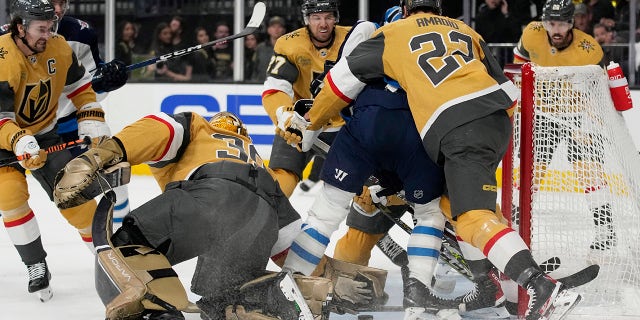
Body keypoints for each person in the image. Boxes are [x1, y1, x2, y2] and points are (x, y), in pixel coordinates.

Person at [280, 0, 582, 319]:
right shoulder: (465, 29)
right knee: (447, 212)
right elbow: (508, 90)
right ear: (438, 10)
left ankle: (292, 286)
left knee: (335, 215)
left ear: (406, 11)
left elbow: (340, 87)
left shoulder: (387, 34)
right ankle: (445, 291)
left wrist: (308, 122)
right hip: (469, 131)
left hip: (414, 134)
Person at [53, 111, 318, 320]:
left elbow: (158, 129)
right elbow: (286, 245)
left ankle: (157, 312)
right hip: (261, 217)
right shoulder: (256, 161)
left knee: (130, 246)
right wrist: (318, 280)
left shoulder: (201, 128)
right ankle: (263, 302)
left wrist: (101, 154)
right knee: (221, 298)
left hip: (212, 194)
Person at [0, 0, 112, 302]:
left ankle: (112, 263)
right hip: (2, 141)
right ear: (19, 28)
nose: (47, 35)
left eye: (50, 28)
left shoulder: (60, 48)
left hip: (45, 133)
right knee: (9, 196)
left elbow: (79, 90)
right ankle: (35, 264)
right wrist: (19, 140)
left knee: (76, 196)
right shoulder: (2, 58)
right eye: (40, 29)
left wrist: (90, 115)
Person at [513, 0, 615, 255]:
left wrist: (591, 123)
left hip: (578, 116)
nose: (555, 29)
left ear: (571, 24)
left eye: (561, 24)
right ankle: (516, 224)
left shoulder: (589, 49)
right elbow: (519, 66)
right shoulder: (532, 34)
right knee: (529, 172)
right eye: (550, 23)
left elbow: (599, 91)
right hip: (544, 114)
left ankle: (605, 229)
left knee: (588, 171)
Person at [50, 0, 131, 227]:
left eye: (62, 2)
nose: (58, 8)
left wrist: (106, 83)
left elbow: (90, 91)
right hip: (22, 130)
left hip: (72, 125)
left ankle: (124, 233)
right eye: (51, 2)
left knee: (113, 170)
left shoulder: (80, 33)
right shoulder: (10, 40)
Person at [261, 0, 350, 198]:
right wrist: (284, 115)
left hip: (344, 125)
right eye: (316, 18)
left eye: (328, 17)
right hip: (301, 122)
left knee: (363, 191)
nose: (323, 24)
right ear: (307, 19)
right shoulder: (290, 43)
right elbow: (275, 86)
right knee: (280, 183)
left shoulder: (353, 38)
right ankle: (268, 221)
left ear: (336, 18)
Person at [252, 15, 287, 82]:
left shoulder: (289, 48)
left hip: (281, 87)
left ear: (284, 30)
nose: (276, 29)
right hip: (260, 86)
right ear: (268, 30)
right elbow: (254, 68)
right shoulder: (260, 48)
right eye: (273, 27)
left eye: (279, 27)